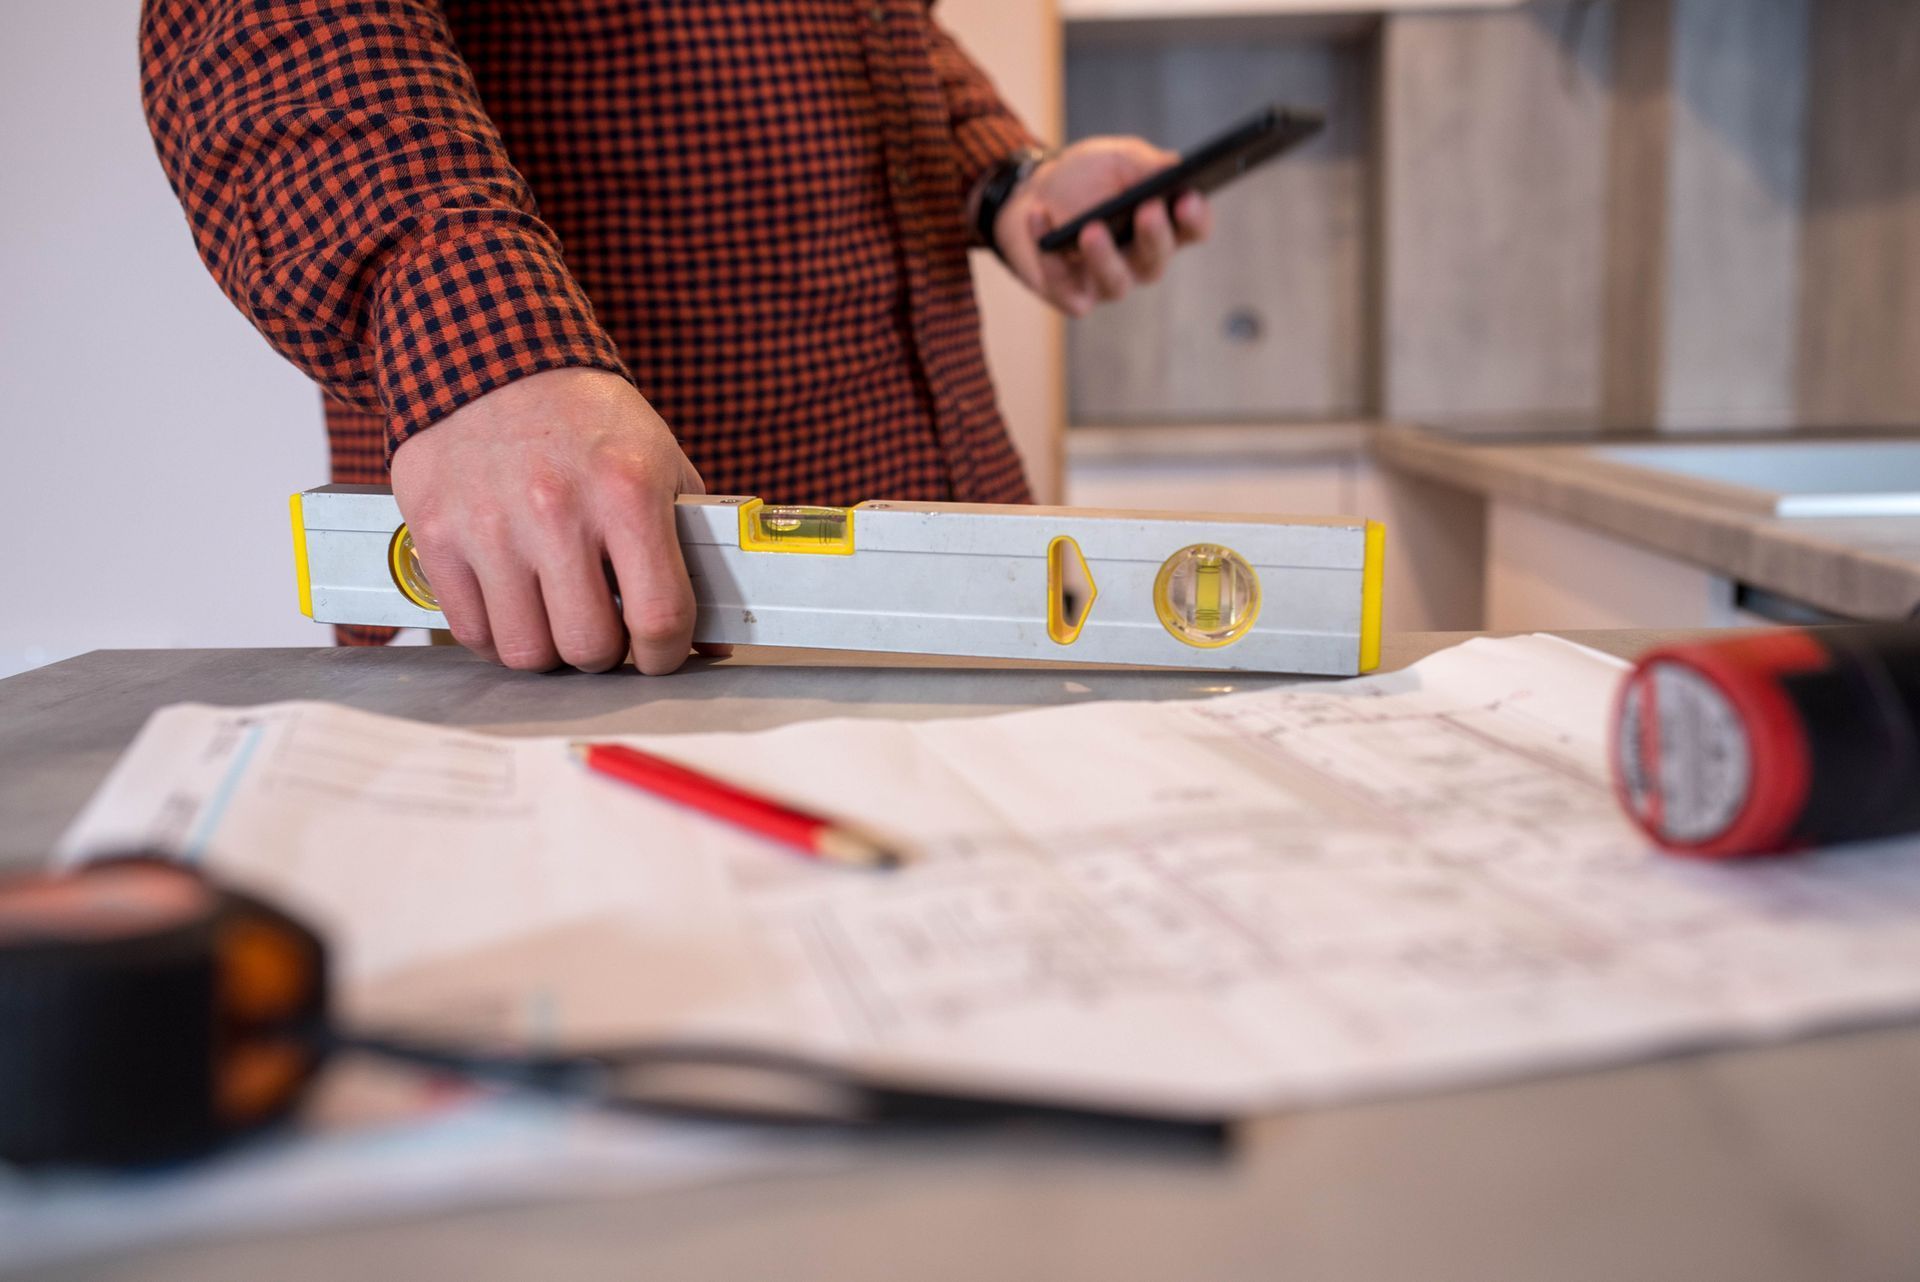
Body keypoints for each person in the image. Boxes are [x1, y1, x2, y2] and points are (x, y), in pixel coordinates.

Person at [141, 1, 1211, 673]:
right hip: (608, 586)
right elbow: (272, 20)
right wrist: (487, 349)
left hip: (939, 516)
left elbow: (888, 31)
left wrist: (1013, 180)